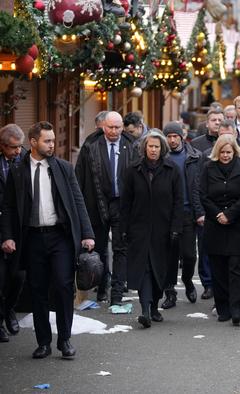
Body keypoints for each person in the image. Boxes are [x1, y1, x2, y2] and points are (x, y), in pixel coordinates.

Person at [1, 121, 95, 359]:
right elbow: (9, 207)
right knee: (38, 290)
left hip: (60, 237)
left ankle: (65, 340)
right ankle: (43, 342)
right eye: (47, 141)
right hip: (32, 238)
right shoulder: (18, 170)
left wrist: (87, 234)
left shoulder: (63, 168)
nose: (52, 144)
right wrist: (7, 236)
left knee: (64, 287)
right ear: (33, 142)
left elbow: (78, 201)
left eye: (53, 140)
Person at [120, 131, 183, 329]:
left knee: (159, 271)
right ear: (144, 148)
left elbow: (178, 202)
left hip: (163, 230)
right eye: (150, 146)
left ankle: (154, 306)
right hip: (139, 228)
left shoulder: (171, 169)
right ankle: (145, 309)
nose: (153, 150)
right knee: (144, 269)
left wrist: (175, 227)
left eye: (156, 147)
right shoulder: (133, 170)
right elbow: (126, 202)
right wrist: (123, 228)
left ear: (161, 148)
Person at [75, 111, 136, 305]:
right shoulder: (90, 146)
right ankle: (102, 287)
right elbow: (79, 178)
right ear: (103, 127)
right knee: (99, 249)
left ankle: (116, 294)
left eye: (118, 127)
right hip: (96, 203)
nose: (114, 131)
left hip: (121, 204)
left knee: (120, 248)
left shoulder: (131, 145)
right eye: (110, 127)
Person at [200, 135, 240, 326]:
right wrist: (217, 214)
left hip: (237, 225)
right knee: (218, 269)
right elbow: (203, 195)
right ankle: (223, 308)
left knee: (237, 268)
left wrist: (230, 214)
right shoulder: (208, 168)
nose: (225, 155)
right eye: (222, 152)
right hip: (215, 225)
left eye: (229, 152)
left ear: (235, 151)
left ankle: (237, 308)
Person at [160, 122, 203, 309]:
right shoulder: (161, 157)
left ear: (181, 137)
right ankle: (170, 292)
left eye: (175, 136)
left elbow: (200, 185)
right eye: (168, 137)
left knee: (189, 255)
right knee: (169, 256)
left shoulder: (195, 156)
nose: (172, 140)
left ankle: (187, 280)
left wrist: (199, 211)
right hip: (167, 214)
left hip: (188, 213)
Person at [190, 109, 224, 300]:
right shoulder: (197, 145)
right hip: (205, 207)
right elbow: (196, 182)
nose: (217, 123)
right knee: (204, 248)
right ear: (207, 123)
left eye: (220, 120)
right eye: (214, 120)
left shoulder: (233, 146)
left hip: (225, 208)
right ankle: (208, 284)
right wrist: (199, 211)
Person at [0, 125, 27, 342]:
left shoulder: (25, 160)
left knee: (18, 276)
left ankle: (9, 309)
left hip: (19, 228)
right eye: (13, 147)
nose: (17, 151)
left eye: (20, 146)